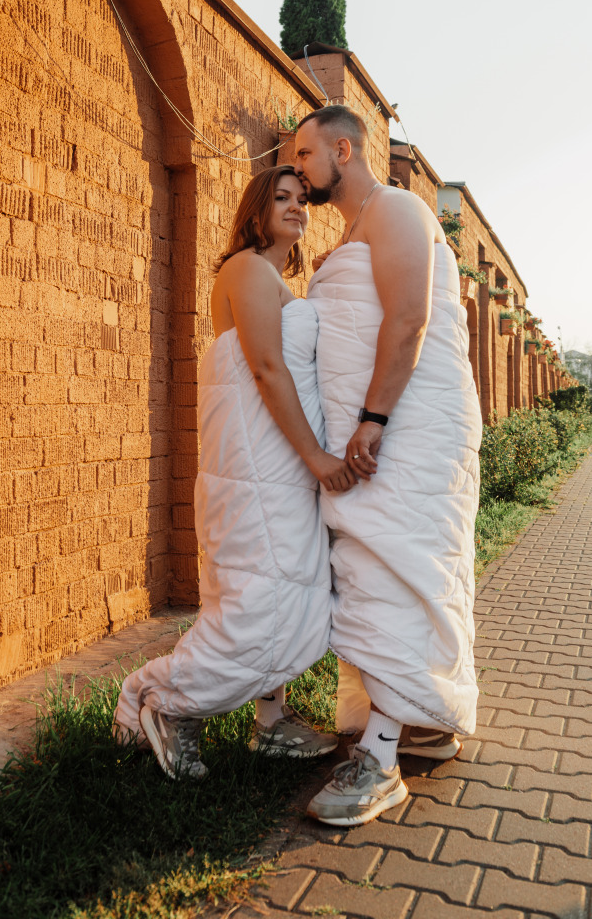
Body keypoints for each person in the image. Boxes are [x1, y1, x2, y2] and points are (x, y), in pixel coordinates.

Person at [113, 165, 354, 778]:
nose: (298, 207)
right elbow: (268, 372)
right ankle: (168, 702)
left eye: (303, 199)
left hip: (271, 460)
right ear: (256, 210)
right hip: (262, 458)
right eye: (282, 199)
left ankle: (271, 724)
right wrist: (318, 458)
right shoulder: (246, 269)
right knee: (257, 600)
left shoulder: (271, 276)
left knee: (273, 584)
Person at [294, 104, 482, 827]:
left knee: (404, 564)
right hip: (373, 435)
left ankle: (380, 759)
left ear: (345, 147)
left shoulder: (397, 208)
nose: (301, 168)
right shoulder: (353, 230)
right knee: (371, 570)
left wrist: (372, 419)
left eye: (307, 154)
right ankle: (413, 715)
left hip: (408, 428)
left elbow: (409, 319)